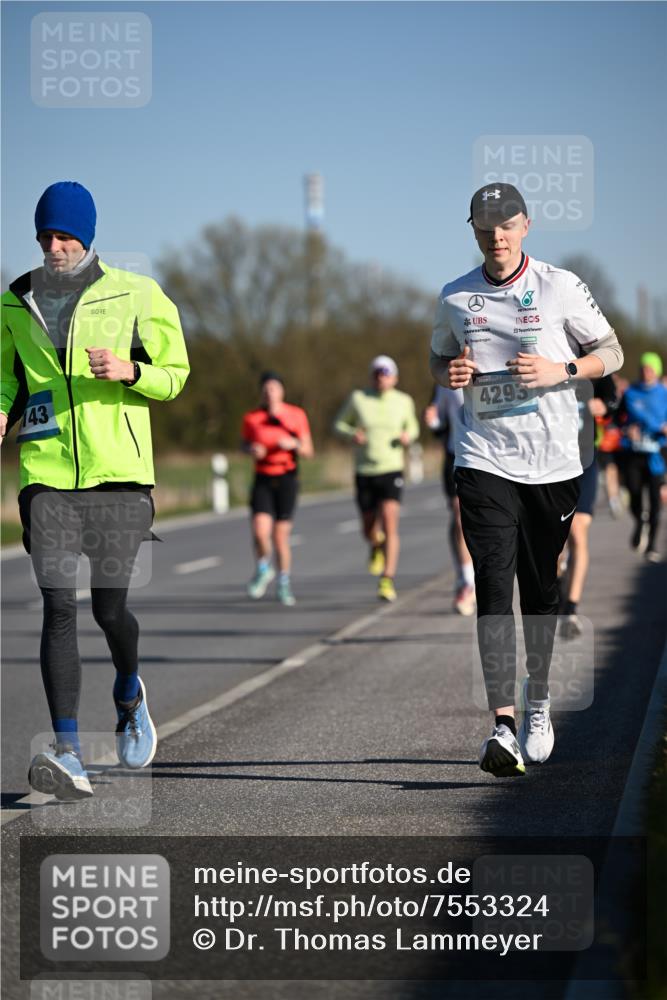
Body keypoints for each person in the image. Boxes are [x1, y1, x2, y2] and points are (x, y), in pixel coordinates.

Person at [0, 181, 190, 800]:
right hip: (47, 474)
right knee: (58, 606)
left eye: (65, 236)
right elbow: (7, 379)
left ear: (86, 237)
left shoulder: (137, 293)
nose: (54, 247)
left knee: (109, 611)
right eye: (45, 237)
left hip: (120, 476)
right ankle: (68, 751)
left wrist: (131, 371)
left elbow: (175, 375)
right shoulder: (15, 302)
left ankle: (130, 694)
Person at [430, 183, 623, 777]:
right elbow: (438, 358)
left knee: (540, 592)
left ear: (526, 226)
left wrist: (561, 368)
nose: (497, 235)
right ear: (473, 229)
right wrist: (450, 370)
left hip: (553, 462)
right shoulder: (455, 295)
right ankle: (503, 726)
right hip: (483, 457)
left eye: (507, 224)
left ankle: (538, 697)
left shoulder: (559, 285)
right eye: (486, 226)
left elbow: (611, 352)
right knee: (493, 583)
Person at [334, 355, 419, 602]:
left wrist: (408, 437)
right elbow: (338, 424)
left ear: (395, 378)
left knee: (391, 521)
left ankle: (387, 579)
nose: (382, 378)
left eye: (386, 374)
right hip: (365, 470)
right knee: (368, 527)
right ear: (372, 376)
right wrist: (352, 434)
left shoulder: (404, 400)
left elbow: (413, 427)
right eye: (377, 374)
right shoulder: (358, 398)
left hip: (391, 468)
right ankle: (375, 544)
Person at [241, 371, 313, 606]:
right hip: (263, 477)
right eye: (265, 389)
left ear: (282, 391)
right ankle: (264, 568)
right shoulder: (252, 418)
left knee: (280, 536)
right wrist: (252, 449)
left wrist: (293, 444)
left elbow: (308, 450)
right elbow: (243, 444)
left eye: (273, 388)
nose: (269, 393)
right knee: (260, 531)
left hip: (286, 478)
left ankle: (283, 582)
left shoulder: (296, 415)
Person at [559, 376, 619, 638]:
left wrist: (605, 405)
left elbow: (613, 397)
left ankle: (571, 609)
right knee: (555, 542)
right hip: (553, 463)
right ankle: (559, 579)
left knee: (578, 530)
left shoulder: (591, 365)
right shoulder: (547, 359)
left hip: (585, 460)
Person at [424, 384, 476, 615]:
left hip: (493, 455)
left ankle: (474, 572)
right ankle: (467, 582)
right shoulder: (447, 380)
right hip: (457, 455)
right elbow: (439, 423)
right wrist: (432, 421)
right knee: (459, 516)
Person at [618, 352, 667, 562]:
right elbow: (618, 420)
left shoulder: (663, 394)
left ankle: (652, 545)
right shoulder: (630, 393)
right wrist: (626, 430)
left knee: (656, 501)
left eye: (650, 368)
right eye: (643, 368)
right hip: (633, 453)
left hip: (657, 454)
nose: (646, 372)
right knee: (634, 494)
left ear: (657, 371)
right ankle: (640, 521)